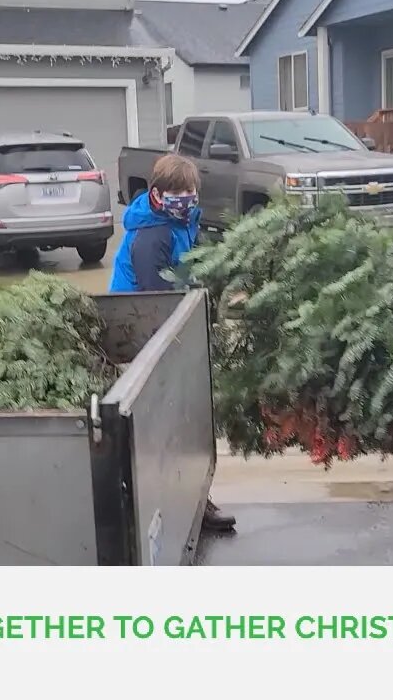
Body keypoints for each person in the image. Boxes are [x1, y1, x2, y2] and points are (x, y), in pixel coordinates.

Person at [109, 153, 237, 534]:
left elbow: (193, 271)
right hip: (141, 336)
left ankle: (197, 501)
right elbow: (156, 300)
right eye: (178, 193)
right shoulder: (152, 236)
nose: (187, 199)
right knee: (168, 429)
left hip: (174, 329)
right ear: (158, 195)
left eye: (191, 191)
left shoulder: (183, 222)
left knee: (190, 423)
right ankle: (166, 512)